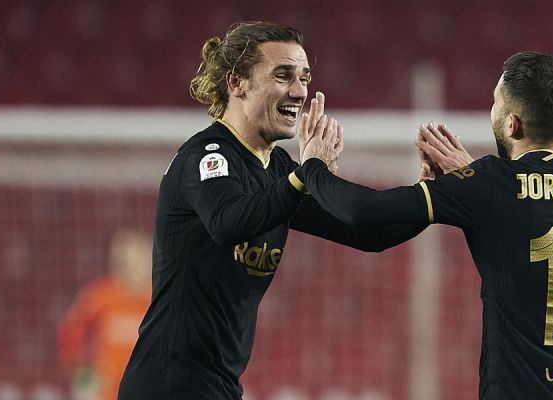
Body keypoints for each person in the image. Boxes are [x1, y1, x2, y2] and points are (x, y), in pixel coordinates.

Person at [118, 21, 426, 400]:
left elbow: (367, 231)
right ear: (237, 83)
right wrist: (305, 175)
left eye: (304, 77)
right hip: (168, 384)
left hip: (218, 386)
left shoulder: (277, 168)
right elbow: (229, 222)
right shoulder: (206, 156)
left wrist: (431, 196)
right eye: (283, 75)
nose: (299, 91)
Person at [297, 51, 553, 399]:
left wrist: (313, 165)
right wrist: (473, 180)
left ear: (512, 123)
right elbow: (531, 201)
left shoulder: (489, 185)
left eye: (495, 102)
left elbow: (362, 210)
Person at [58, 229, 152, 400]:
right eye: (123, 261)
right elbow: (70, 330)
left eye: (137, 261)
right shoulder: (101, 295)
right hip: (109, 394)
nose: (130, 268)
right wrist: (82, 373)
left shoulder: (160, 299)